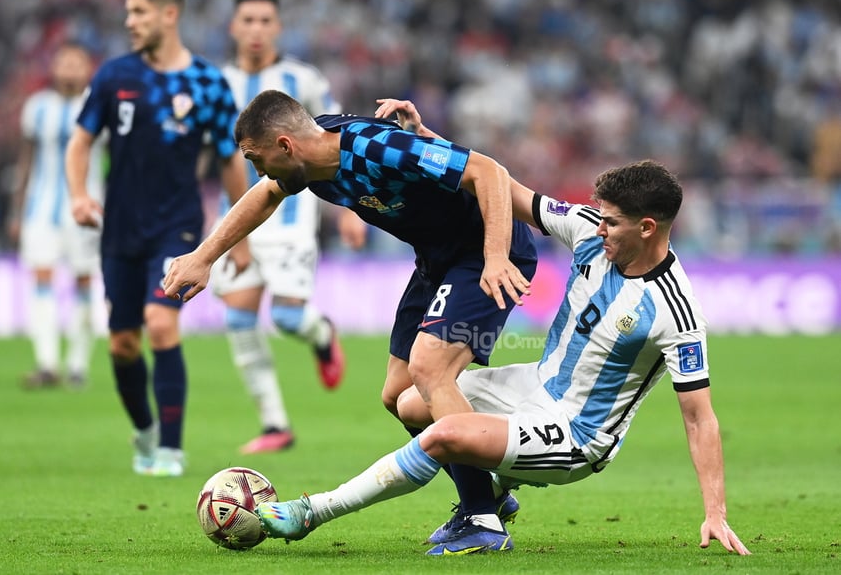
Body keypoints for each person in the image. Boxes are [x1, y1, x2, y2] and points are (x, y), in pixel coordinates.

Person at [253, 158, 751, 558]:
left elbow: (699, 419)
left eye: (612, 223)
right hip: (533, 387)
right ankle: (487, 500)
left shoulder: (677, 312)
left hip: (576, 435)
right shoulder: (588, 232)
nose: (600, 229)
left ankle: (314, 512)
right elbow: (503, 186)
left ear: (647, 228)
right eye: (599, 217)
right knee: (411, 401)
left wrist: (715, 511)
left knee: (445, 433)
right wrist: (427, 141)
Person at [162, 90, 538, 509]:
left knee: (430, 370)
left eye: (256, 158)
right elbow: (265, 195)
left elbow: (487, 172)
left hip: (484, 250)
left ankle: (480, 516)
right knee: (398, 396)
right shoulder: (311, 161)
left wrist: (496, 256)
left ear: (285, 145)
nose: (258, 169)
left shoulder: (375, 147)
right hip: (437, 260)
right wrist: (203, 257)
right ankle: (487, 492)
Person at [65, 0, 249, 477]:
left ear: (169, 15)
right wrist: (80, 195)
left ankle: (171, 448)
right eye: (128, 14)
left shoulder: (207, 83)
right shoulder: (113, 76)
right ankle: (145, 430)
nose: (130, 23)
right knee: (122, 343)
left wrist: (240, 238)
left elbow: (232, 158)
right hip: (120, 229)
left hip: (179, 228)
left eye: (139, 13)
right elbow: (80, 142)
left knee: (161, 323)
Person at [211, 0, 362, 455]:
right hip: (236, 216)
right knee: (238, 317)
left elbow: (333, 143)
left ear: (277, 28)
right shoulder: (215, 84)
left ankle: (321, 332)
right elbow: (217, 155)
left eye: (265, 21)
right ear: (234, 27)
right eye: (248, 20)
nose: (256, 29)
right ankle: (275, 424)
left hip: (292, 214)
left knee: (287, 317)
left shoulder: (305, 79)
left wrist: (349, 210)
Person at [10, 41, 103, 390]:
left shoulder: (99, 105)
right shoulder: (36, 108)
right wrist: (17, 210)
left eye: (76, 64)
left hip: (87, 210)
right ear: (54, 68)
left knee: (83, 282)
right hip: (40, 209)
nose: (69, 70)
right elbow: (26, 159)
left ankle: (77, 365)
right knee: (43, 278)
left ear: (87, 69)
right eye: (63, 63)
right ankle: (47, 364)